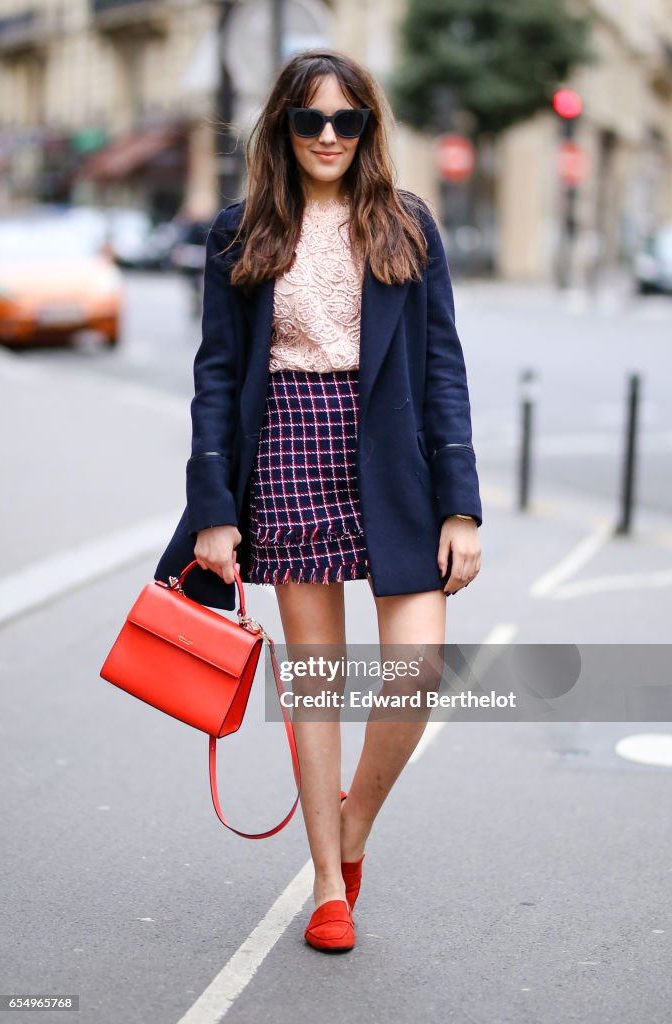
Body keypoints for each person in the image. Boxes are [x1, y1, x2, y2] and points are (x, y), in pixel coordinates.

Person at [155, 48, 482, 953]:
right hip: (289, 452)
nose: (329, 136)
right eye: (311, 121)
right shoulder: (242, 230)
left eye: (347, 120)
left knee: (414, 673)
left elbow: (442, 367)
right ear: (283, 129)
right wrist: (215, 508)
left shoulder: (405, 224)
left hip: (395, 460)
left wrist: (462, 505)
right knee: (316, 680)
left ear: (369, 128)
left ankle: (354, 824)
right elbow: (216, 380)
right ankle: (328, 887)